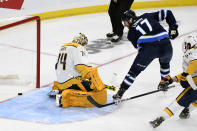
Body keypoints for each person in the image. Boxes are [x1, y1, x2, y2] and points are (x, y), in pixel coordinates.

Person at [113, 9, 179, 100]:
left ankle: (120, 92)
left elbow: (140, 49)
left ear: (130, 19)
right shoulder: (147, 15)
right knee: (165, 63)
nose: (125, 25)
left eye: (125, 22)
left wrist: (143, 60)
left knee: (133, 72)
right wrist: (173, 28)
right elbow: (167, 13)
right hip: (167, 46)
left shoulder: (131, 33)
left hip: (149, 49)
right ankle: (164, 82)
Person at [48, 33, 114, 108]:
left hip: (61, 81)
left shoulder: (63, 47)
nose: (84, 46)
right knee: (100, 93)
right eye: (84, 43)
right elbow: (82, 67)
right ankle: (64, 97)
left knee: (84, 83)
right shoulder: (78, 47)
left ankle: (59, 90)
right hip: (71, 81)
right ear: (81, 42)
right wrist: (92, 79)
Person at [150, 35, 197, 128]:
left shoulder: (191, 53)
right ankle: (187, 110)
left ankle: (160, 119)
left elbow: (193, 63)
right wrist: (171, 80)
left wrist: (186, 75)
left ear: (188, 45)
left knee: (179, 101)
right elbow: (187, 74)